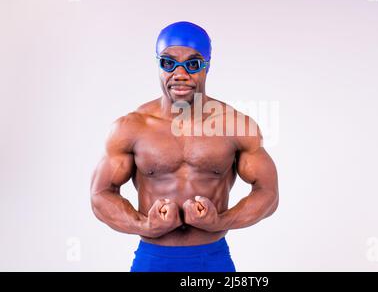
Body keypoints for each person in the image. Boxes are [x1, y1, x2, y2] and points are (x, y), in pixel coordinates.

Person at [90, 21, 279, 272]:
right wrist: (143, 226)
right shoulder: (131, 127)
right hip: (153, 258)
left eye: (192, 64)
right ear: (158, 64)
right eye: (168, 63)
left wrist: (219, 221)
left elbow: (268, 193)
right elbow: (100, 194)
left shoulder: (235, 126)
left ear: (207, 66)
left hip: (212, 259)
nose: (180, 74)